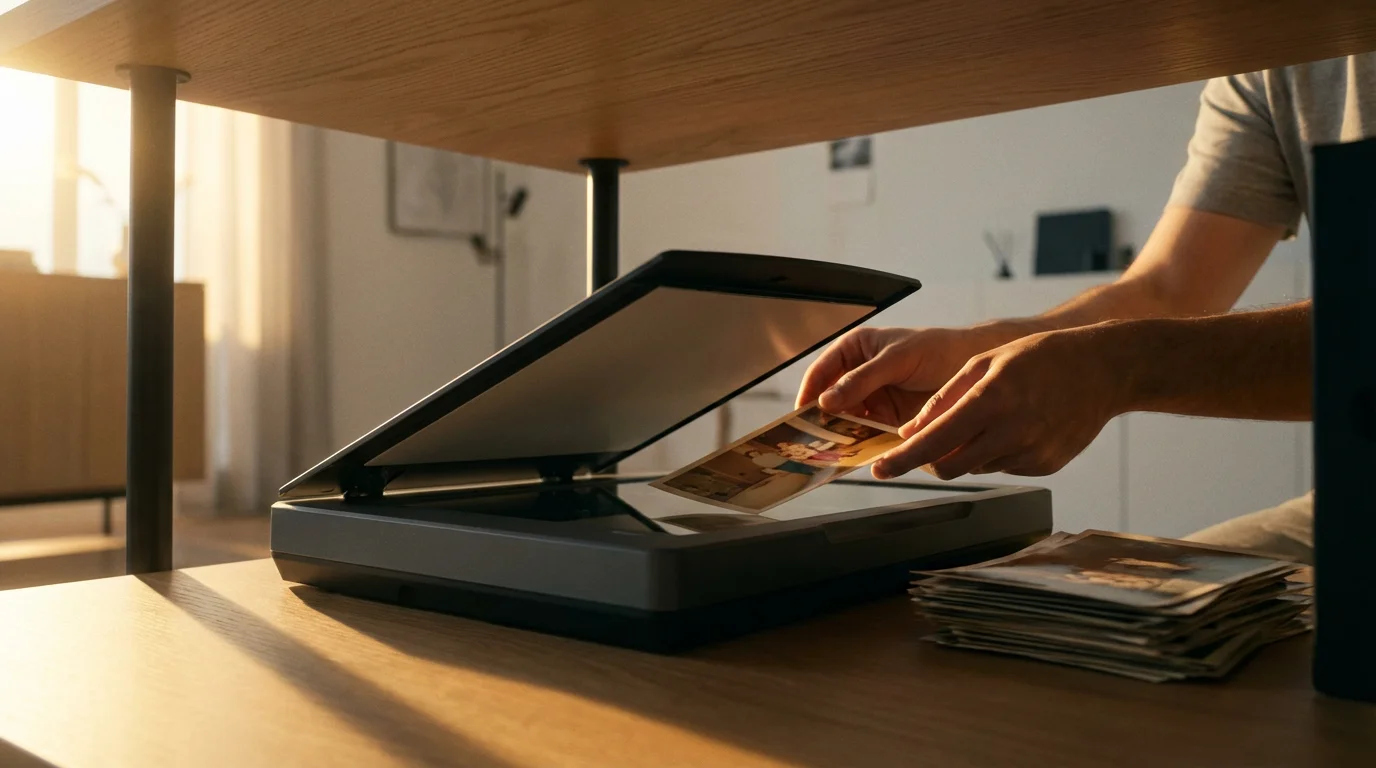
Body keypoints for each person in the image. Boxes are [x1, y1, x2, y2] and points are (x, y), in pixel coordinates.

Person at [798, 54, 1376, 564]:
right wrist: (977, 350)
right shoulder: (1269, 58)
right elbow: (1169, 288)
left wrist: (1118, 367)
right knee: (1132, 619)